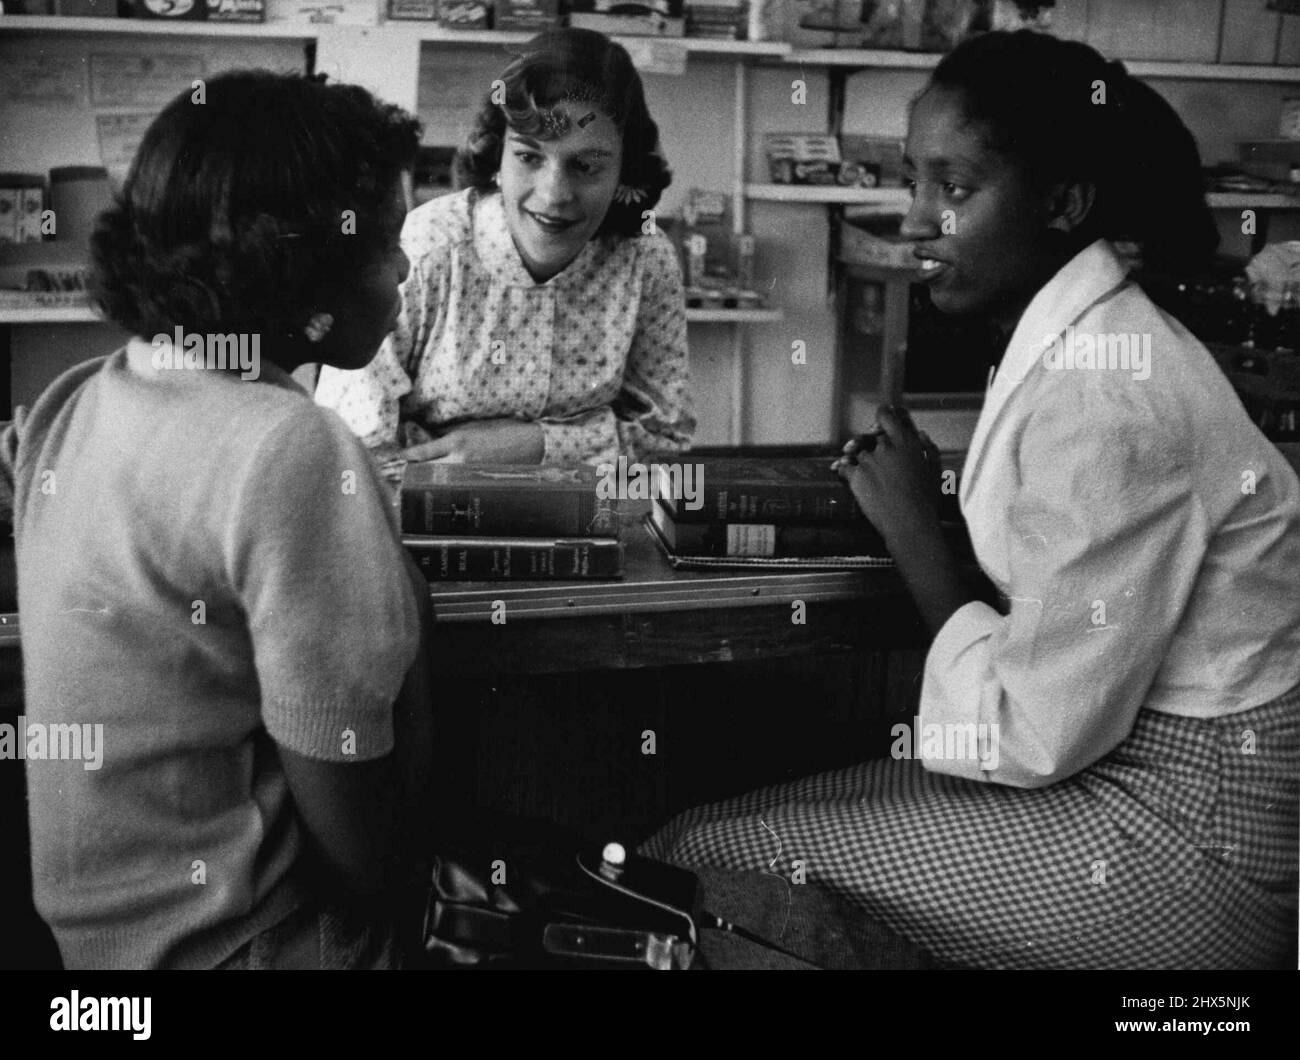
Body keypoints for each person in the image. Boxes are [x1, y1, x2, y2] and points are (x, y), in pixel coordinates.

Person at [643, 30, 1300, 969]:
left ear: (1064, 203)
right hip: (1120, 766)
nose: (917, 220)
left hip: (1193, 838)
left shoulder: (1108, 393)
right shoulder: (1080, 337)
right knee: (707, 825)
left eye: (955, 190)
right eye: (914, 181)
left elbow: (1033, 733)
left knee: (700, 860)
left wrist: (918, 534)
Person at [0, 71, 434, 969]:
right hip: (252, 946)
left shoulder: (75, 401)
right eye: (387, 241)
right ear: (299, 267)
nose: (403, 267)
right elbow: (368, 848)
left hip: (98, 957)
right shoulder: (293, 449)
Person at [314, 28, 696, 467]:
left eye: (586, 166)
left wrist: (533, 445)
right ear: (497, 155)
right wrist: (591, 442)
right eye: (529, 158)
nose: (554, 194)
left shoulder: (646, 258)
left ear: (623, 172)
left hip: (589, 523)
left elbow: (668, 438)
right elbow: (352, 451)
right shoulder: (424, 250)